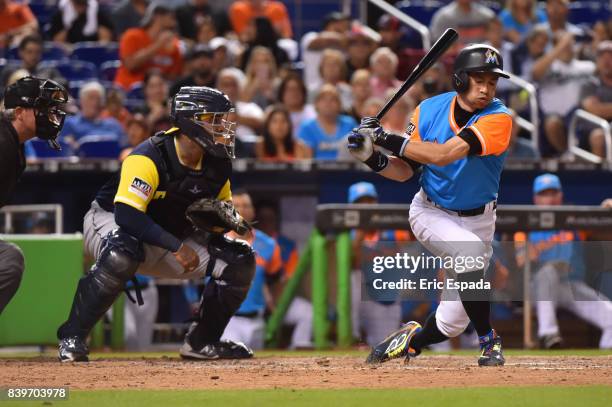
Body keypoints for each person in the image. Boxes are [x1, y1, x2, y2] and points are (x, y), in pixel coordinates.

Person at [56, 86, 256, 362]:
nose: (222, 127)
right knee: (120, 253)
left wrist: (223, 224)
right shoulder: (148, 156)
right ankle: (73, 337)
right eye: (214, 119)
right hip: (109, 220)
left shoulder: (219, 164)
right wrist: (176, 246)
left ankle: (202, 342)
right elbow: (127, 215)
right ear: (189, 121)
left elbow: (220, 214)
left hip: (169, 236)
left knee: (240, 260)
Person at [348, 44, 513, 366]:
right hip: (431, 211)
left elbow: (444, 154)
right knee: (468, 253)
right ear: (460, 79)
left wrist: (385, 137)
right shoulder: (427, 110)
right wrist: (370, 156)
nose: (485, 88)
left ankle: (410, 340)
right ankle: (489, 341)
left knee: (452, 322)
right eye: (478, 79)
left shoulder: (499, 118)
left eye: (491, 82)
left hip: (480, 219)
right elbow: (405, 170)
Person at [514, 174, 612, 349]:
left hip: (571, 286)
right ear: (536, 198)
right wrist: (536, 256)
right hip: (538, 289)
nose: (550, 198)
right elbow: (521, 261)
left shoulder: (572, 219)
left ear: (561, 195)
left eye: (553, 193)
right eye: (544, 194)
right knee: (548, 272)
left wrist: (606, 212)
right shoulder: (525, 226)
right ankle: (548, 334)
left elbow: (604, 232)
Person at [0, 77, 68, 314]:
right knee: (9, 260)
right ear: (19, 112)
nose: (49, 115)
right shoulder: (3, 143)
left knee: (9, 259)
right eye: (41, 109)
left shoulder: (12, 144)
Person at [348, 182, 411, 346]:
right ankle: (354, 337)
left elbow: (405, 251)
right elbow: (352, 264)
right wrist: (360, 239)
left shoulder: (391, 228)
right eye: (360, 202)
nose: (366, 206)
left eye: (369, 201)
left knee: (383, 343)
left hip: (386, 293)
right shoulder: (347, 233)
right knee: (354, 279)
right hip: (362, 293)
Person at [221, 190, 282, 350]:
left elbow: (275, 281)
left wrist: (273, 310)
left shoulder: (268, 244)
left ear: (253, 211)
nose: (242, 209)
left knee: (257, 371)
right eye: (237, 205)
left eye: (246, 205)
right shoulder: (217, 241)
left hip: (257, 320)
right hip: (228, 320)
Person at [531, 32, 595, 156]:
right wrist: (560, 46)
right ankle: (567, 153)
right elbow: (535, 73)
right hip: (552, 116)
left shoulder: (586, 66)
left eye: (569, 44)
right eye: (561, 44)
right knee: (552, 123)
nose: (566, 47)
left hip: (578, 115)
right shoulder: (550, 66)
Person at [114, 3, 183, 90]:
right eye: (171, 17)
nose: (174, 22)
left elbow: (173, 77)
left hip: (158, 92)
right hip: (129, 88)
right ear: (157, 16)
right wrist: (158, 45)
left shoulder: (173, 45)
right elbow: (130, 65)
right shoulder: (132, 35)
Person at [59, 81, 126, 148]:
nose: (95, 102)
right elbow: (63, 149)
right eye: (91, 98)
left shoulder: (114, 125)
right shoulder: (69, 124)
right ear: (82, 100)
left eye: (98, 99)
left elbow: (124, 147)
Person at [298, 84, 357, 160]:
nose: (328, 103)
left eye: (333, 99)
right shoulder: (307, 127)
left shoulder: (350, 124)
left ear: (339, 104)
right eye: (323, 99)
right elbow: (306, 162)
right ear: (316, 104)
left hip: (348, 170)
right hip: (317, 171)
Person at [0, 35, 65, 95]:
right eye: (29, 52)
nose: (34, 56)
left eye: (37, 52)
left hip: (42, 105)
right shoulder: (10, 71)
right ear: (21, 52)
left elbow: (63, 83)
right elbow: (2, 92)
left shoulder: (49, 71)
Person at [579, 41, 612, 158]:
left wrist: (605, 108)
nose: (607, 61)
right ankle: (603, 176)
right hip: (595, 129)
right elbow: (595, 110)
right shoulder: (590, 84)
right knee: (598, 137)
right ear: (597, 61)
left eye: (610, 56)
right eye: (602, 57)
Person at [429, 0, 495, 46]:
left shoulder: (487, 16)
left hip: (482, 57)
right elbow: (437, 44)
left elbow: (496, 42)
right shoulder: (443, 16)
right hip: (453, 60)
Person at [48, 0, 114, 44]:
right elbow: (57, 42)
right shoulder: (61, 15)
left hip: (94, 53)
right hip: (68, 53)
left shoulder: (98, 13)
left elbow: (105, 40)